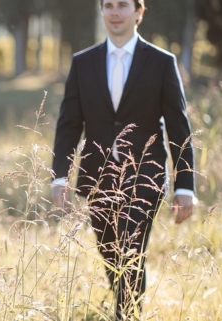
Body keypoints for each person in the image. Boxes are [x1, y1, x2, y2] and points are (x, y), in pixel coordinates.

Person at [50, 0, 196, 318]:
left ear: (139, 11)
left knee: (131, 249)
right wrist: (59, 175)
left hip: (146, 175)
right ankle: (124, 305)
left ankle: (126, 314)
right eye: (109, 5)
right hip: (97, 176)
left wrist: (185, 185)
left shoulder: (161, 62)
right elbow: (69, 124)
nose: (115, 12)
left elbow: (178, 128)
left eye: (123, 5)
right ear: (102, 11)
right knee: (109, 252)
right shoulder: (83, 62)